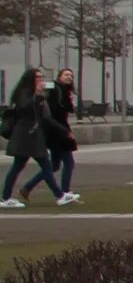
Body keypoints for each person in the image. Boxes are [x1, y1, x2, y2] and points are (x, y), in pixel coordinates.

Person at [2, 70, 61, 207]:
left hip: (33, 134)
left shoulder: (34, 93)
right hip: (25, 135)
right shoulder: (23, 92)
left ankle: (59, 195)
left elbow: (40, 114)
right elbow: (26, 109)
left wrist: (40, 97)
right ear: (31, 79)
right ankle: (59, 195)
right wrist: (39, 96)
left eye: (41, 77)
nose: (40, 80)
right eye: (38, 77)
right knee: (36, 165)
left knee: (41, 164)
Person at [41, 70, 80, 201]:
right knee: (68, 162)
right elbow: (54, 113)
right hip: (58, 131)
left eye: (71, 75)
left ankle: (28, 187)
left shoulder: (65, 90)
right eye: (66, 75)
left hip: (58, 130)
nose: (69, 77)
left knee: (54, 165)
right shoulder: (56, 89)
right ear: (59, 77)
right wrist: (65, 131)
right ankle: (65, 191)